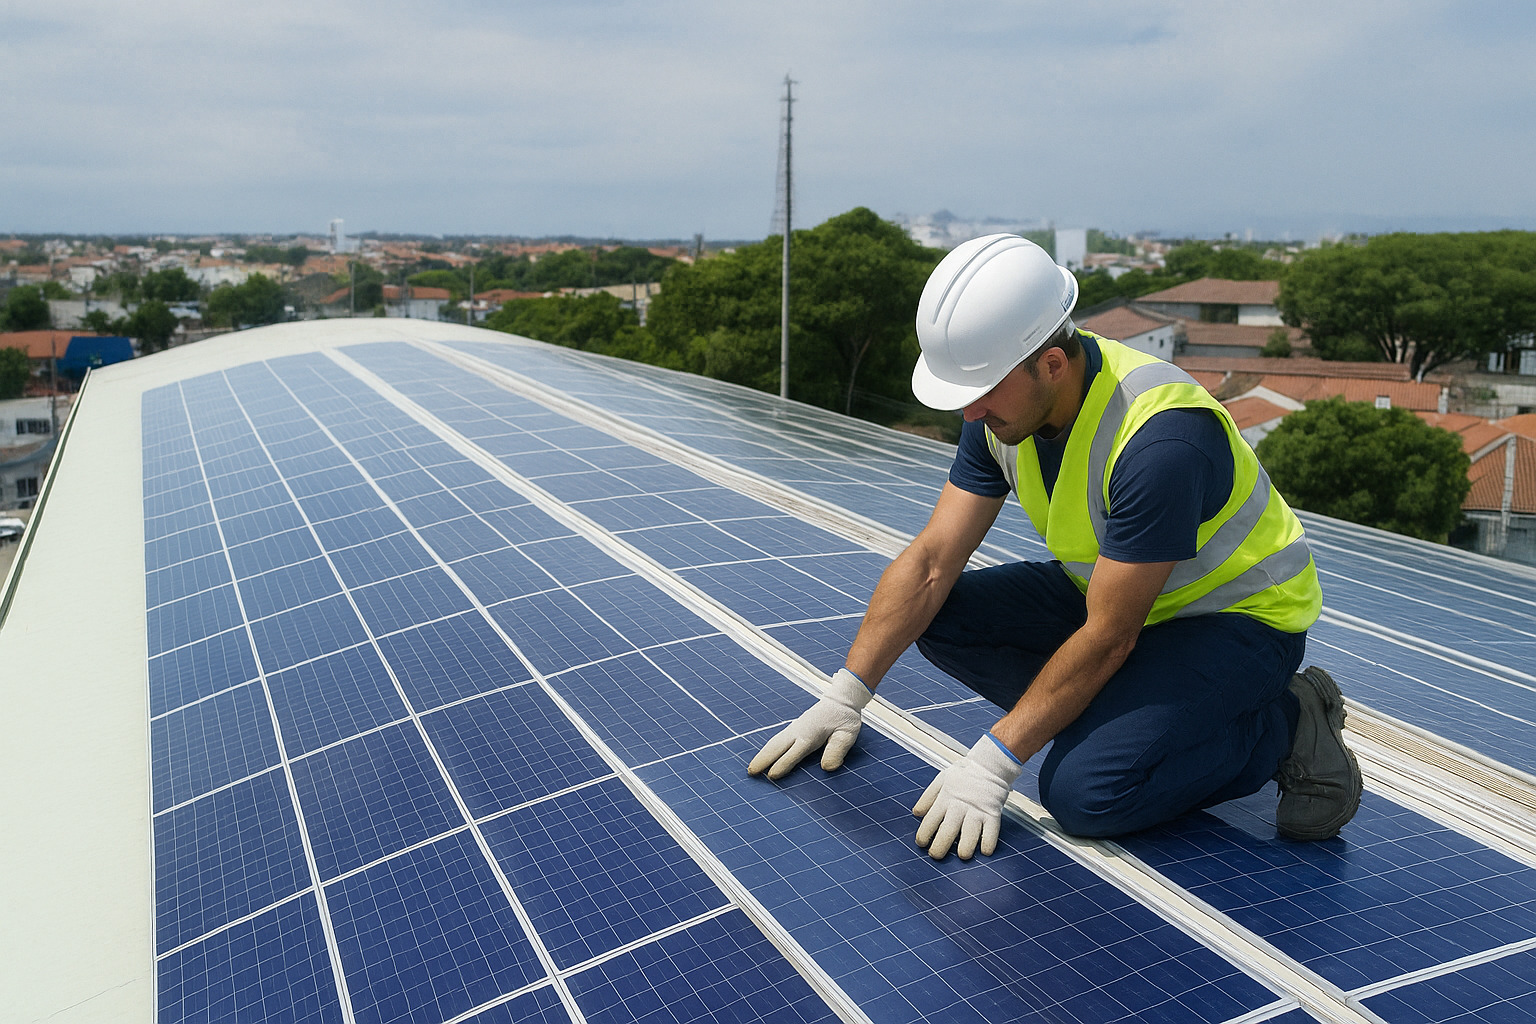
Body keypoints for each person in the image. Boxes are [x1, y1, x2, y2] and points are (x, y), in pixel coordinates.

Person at [748, 234, 1362, 860]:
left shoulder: (1159, 441)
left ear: (1052, 364)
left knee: (1086, 794)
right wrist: (845, 695)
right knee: (943, 617)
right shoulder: (1002, 413)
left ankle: (1287, 722)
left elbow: (1110, 635)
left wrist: (993, 761)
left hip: (1233, 622)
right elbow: (932, 562)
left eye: (982, 390)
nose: (969, 412)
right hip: (1115, 599)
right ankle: (1122, 717)